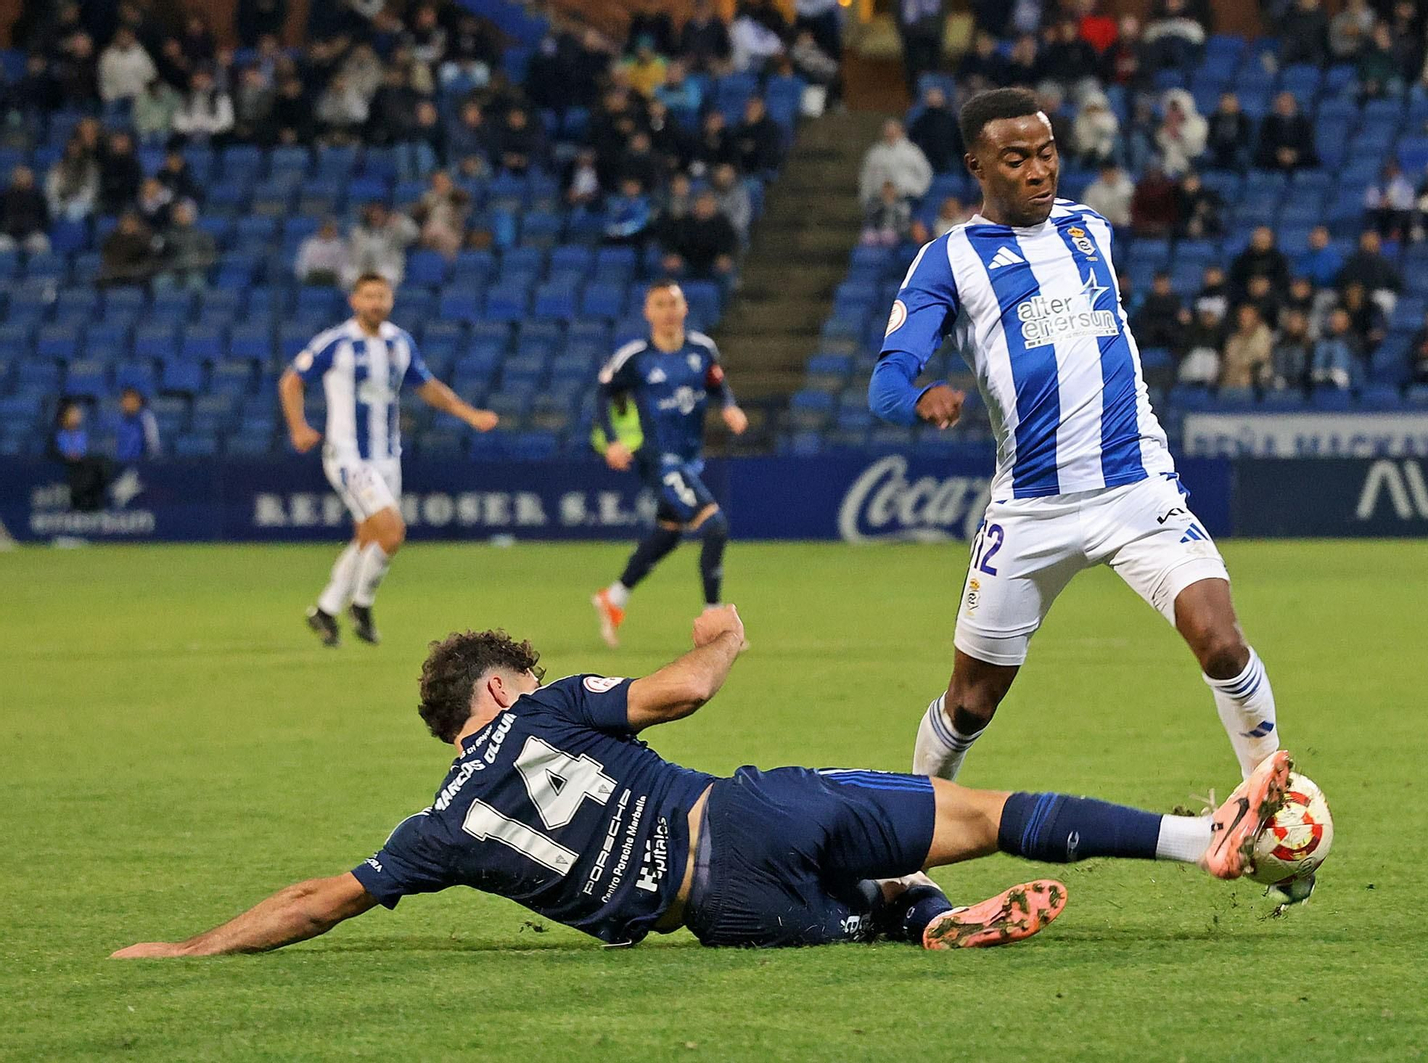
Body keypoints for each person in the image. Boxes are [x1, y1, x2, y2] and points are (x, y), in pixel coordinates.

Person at [111, 616, 1298, 958]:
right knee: (980, 818)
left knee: (874, 900)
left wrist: (193, 950)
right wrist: (721, 635)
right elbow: (677, 691)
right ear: (496, 690)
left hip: (717, 915)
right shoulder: (537, 703)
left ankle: (914, 922)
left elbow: (324, 894)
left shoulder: (439, 826)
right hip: (731, 810)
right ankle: (1202, 839)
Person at [869, 88, 1302, 902]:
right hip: (1030, 507)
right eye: (1016, 158)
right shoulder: (948, 260)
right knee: (969, 702)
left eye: (1046, 152)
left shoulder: (1088, 228)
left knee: (1221, 638)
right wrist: (921, 395)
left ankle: (1267, 807)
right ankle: (904, 848)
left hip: (1136, 486)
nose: (1038, 169)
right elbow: (886, 378)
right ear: (976, 167)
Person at [280, 274, 498, 648]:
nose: (376, 303)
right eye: (368, 296)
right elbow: (291, 381)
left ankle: (326, 610)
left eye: (381, 296)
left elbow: (427, 386)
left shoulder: (400, 342)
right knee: (392, 531)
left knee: (368, 536)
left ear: (391, 300)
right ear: (354, 301)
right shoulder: (336, 343)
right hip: (349, 456)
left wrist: (469, 414)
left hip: (387, 456)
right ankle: (361, 606)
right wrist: (299, 427)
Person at [592, 281, 748, 647]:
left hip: (689, 458)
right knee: (714, 526)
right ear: (648, 313)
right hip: (659, 459)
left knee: (670, 531)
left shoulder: (701, 350)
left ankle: (614, 598)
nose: (667, 311)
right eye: (659, 304)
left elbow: (717, 383)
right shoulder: (635, 357)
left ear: (685, 309)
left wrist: (728, 406)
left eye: (673, 303)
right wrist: (613, 442)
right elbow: (604, 394)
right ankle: (716, 619)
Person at [858, 118, 932, 205]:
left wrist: (918, 192)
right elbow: (866, 177)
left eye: (893, 131)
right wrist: (865, 198)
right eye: (888, 131)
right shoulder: (875, 153)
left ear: (900, 132)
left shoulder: (912, 152)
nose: (890, 134)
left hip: (907, 198)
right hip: (879, 200)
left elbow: (925, 173)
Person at [0, 165, 50, 253]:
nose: (22, 179)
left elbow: (45, 217)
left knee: (42, 244)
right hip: (9, 234)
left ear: (31, 178)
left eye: (25, 176)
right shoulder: (5, 196)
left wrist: (35, 227)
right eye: (19, 176)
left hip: (31, 234)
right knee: (1, 245)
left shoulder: (38, 196)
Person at [295, 218, 349, 286]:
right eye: (325, 229)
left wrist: (340, 278)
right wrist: (304, 276)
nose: (327, 232)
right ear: (320, 230)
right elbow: (303, 263)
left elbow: (343, 264)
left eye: (330, 229)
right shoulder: (310, 244)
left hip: (331, 275)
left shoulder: (339, 245)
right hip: (314, 275)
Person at [115, 387, 161, 463]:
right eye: (124, 400)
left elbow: (153, 445)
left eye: (130, 400)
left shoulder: (146, 417)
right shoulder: (120, 421)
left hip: (141, 464)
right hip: (122, 463)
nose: (126, 403)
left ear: (138, 401)